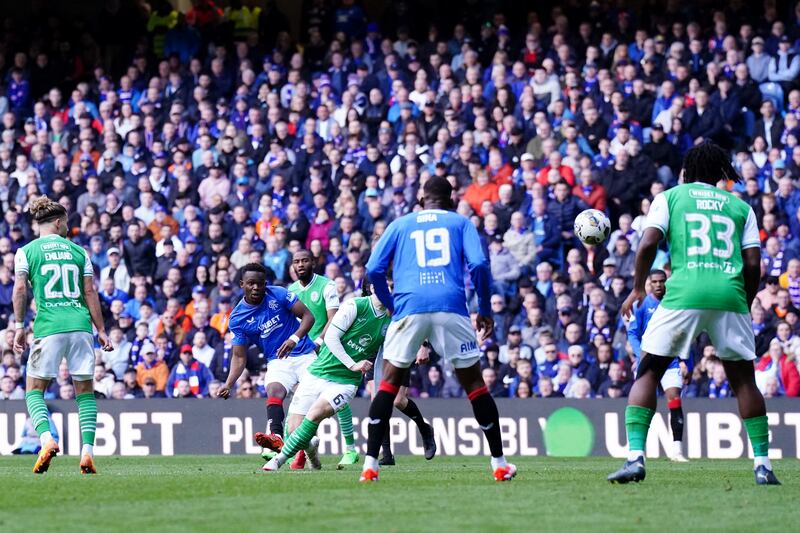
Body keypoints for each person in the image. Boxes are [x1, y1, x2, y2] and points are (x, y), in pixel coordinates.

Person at [608, 141, 780, 485]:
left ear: (686, 171)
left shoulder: (671, 197)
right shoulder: (740, 207)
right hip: (729, 294)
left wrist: (639, 287)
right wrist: (743, 301)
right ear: (721, 173)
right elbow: (752, 264)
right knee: (744, 380)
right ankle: (763, 465)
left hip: (684, 293)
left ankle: (635, 459)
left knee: (649, 372)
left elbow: (647, 243)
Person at [363, 176, 516, 482]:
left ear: (421, 199)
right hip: (451, 306)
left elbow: (372, 270)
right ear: (452, 199)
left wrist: (391, 303)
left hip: (409, 306)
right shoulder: (461, 223)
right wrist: (484, 309)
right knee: (475, 385)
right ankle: (499, 463)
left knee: (388, 385)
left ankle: (370, 465)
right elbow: (480, 266)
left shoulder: (400, 224)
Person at [13, 196, 112, 474]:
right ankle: (87, 453)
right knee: (85, 393)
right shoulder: (80, 252)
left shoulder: (26, 252)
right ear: (58, 222)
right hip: (81, 326)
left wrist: (20, 325)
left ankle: (46, 440)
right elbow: (90, 292)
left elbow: (20, 289)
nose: (67, 227)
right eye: (66, 223)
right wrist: (101, 330)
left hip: (49, 326)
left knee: (34, 390)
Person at [263, 279, 398, 471]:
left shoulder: (391, 320)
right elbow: (331, 338)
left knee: (315, 413)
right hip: (318, 372)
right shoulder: (355, 305)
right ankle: (311, 450)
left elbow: (389, 353)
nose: (389, 291)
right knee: (294, 430)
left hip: (345, 382)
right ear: (373, 287)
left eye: (393, 288)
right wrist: (353, 364)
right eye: (386, 286)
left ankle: (278, 460)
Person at [218, 263, 316, 470]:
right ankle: (277, 437)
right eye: (251, 284)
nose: (256, 288)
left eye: (260, 284)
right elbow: (238, 356)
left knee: (303, 411)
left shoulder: (279, 294)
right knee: (274, 390)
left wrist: (294, 339)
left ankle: (306, 449)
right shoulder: (237, 318)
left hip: (305, 354)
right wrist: (229, 383)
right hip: (278, 360)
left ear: (266, 284)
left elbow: (308, 317)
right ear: (242, 284)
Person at [278, 248, 357, 469]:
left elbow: (334, 320)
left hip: (326, 349)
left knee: (336, 396)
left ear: (313, 262)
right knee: (299, 403)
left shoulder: (327, 285)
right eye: (296, 261)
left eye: (305, 260)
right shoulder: (291, 290)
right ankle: (304, 451)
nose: (300, 265)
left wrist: (320, 342)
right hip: (303, 353)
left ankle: (350, 448)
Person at [626, 269, 688, 462]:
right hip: (648, 361)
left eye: (662, 281)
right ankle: (638, 450)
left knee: (674, 398)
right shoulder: (642, 304)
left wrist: (686, 359)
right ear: (649, 283)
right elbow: (633, 333)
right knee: (644, 402)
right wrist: (640, 355)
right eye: (655, 282)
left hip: (670, 361)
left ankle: (677, 450)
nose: (659, 285)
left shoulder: (676, 304)